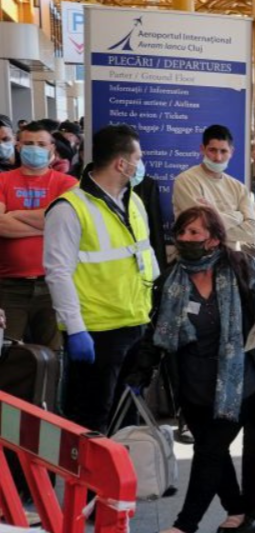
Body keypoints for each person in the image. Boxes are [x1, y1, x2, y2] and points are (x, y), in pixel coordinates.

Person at [147, 206, 255, 533]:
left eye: (194, 232)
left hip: (239, 382)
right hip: (193, 386)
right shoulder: (170, 279)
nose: (185, 238)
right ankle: (237, 510)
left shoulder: (241, 266)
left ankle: (184, 526)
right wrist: (140, 371)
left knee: (208, 451)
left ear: (213, 239)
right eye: (181, 232)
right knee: (214, 450)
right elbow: (157, 331)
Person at [45, 124, 159, 432]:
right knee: (91, 420)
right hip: (96, 331)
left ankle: (122, 466)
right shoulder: (69, 208)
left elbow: (144, 257)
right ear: (122, 163)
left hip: (135, 323)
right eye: (138, 158)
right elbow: (58, 274)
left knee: (127, 418)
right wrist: (75, 329)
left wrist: (151, 314)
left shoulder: (133, 201)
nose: (140, 164)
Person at [0, 121, 77, 350]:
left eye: (41, 144)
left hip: (54, 284)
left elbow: (67, 223)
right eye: (29, 143)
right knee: (8, 354)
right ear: (18, 146)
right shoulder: (2, 180)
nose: (35, 148)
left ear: (52, 148)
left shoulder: (68, 183)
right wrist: (49, 223)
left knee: (53, 356)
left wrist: (14, 214)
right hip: (8, 286)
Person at [172, 125, 255, 256]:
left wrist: (214, 219)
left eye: (223, 151)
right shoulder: (185, 181)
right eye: (212, 150)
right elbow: (200, 226)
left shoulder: (239, 188)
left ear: (231, 152)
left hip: (231, 261)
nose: (218, 157)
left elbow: (252, 233)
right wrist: (237, 216)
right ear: (202, 149)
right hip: (196, 260)